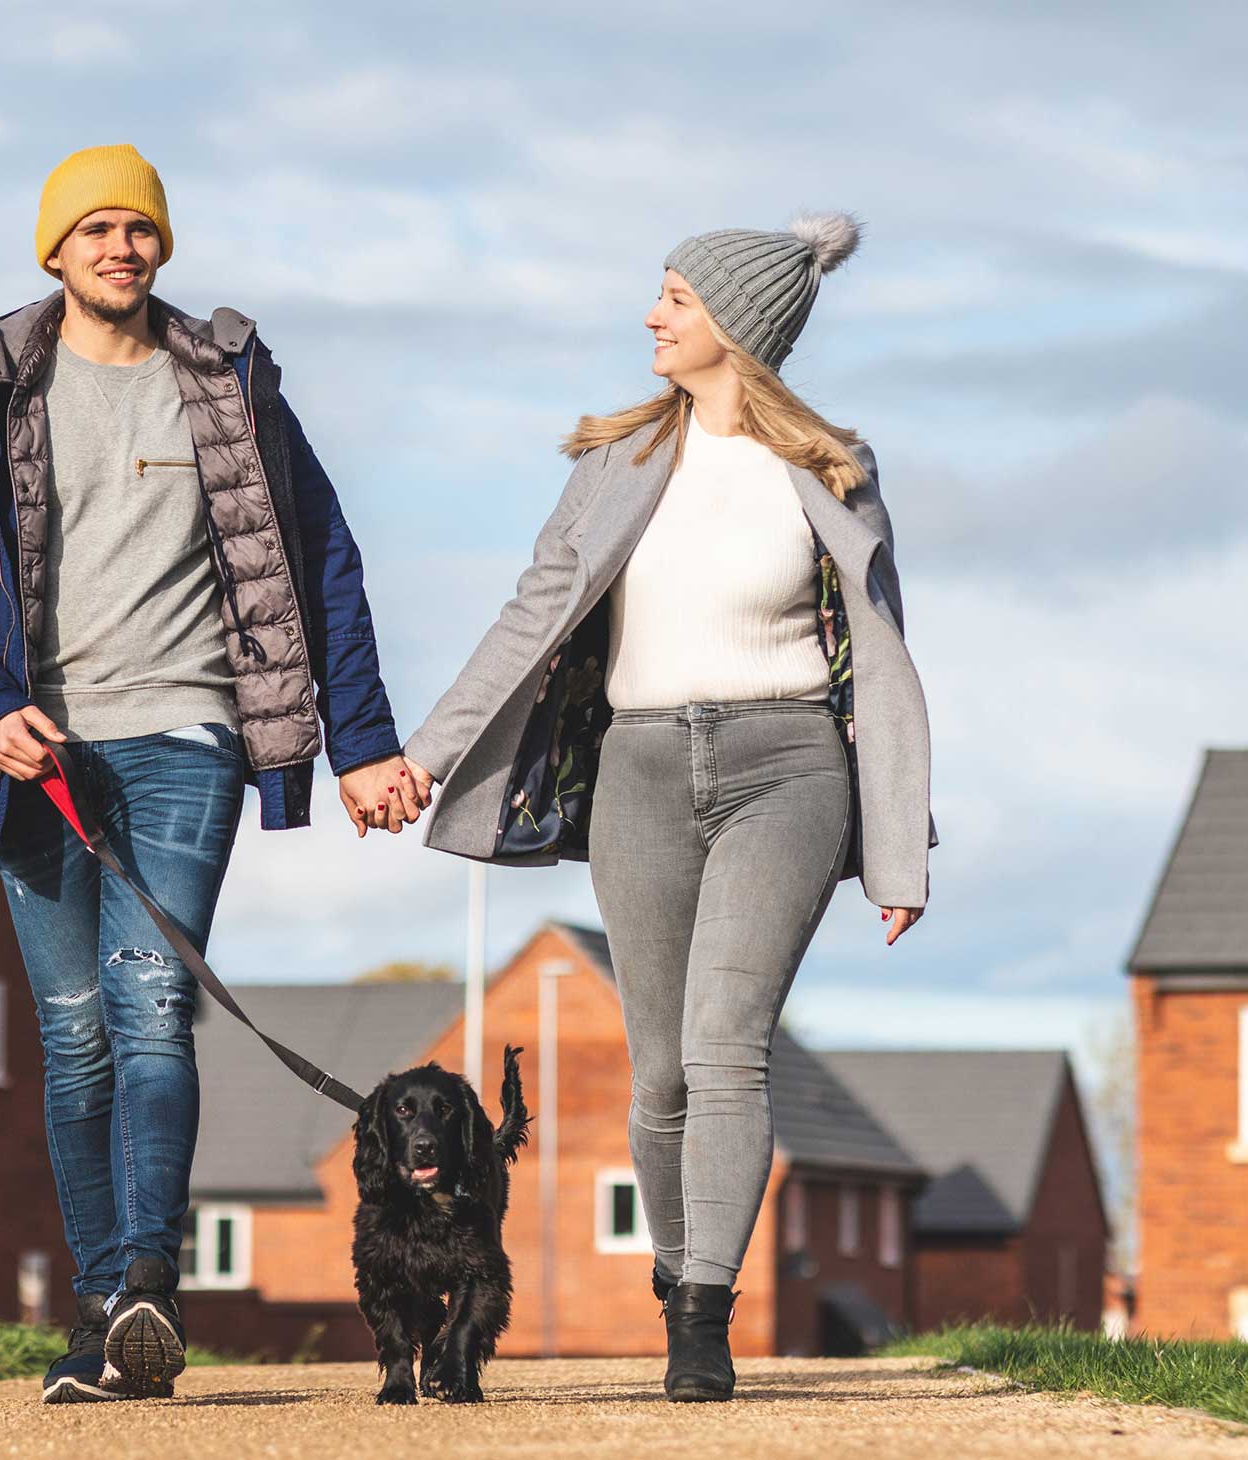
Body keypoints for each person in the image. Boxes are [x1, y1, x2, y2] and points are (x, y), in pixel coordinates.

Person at [0, 144, 422, 1404]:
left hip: (186, 733)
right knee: (73, 1036)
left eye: (140, 229)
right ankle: (100, 1315)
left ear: (161, 245)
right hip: (39, 750)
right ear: (55, 249)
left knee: (151, 1003)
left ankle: (148, 1282)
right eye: (96, 229)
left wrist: (364, 741)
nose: (121, 248)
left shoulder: (227, 385)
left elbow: (319, 562)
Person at [402, 213, 934, 1401]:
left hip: (788, 766)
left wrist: (898, 843)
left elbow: (884, 656)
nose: (654, 315)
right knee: (660, 1077)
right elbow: (528, 620)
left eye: (679, 298)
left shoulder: (833, 469)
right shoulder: (616, 461)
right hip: (638, 770)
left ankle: (703, 1312)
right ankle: (676, 1265)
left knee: (724, 1045)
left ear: (736, 325)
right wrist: (426, 756)